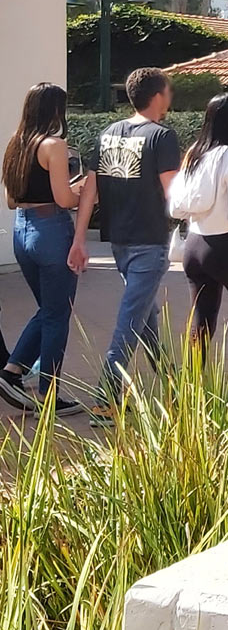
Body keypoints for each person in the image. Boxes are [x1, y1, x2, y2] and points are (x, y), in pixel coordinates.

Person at [68, 67, 180, 417]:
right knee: (131, 319)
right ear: (159, 95)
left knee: (145, 315)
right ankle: (106, 396)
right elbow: (173, 195)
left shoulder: (107, 134)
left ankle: (174, 386)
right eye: (169, 91)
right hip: (150, 239)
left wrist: (79, 239)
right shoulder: (163, 137)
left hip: (119, 241)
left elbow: (90, 190)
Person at [0, 83, 84, 414]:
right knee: (57, 314)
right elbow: (64, 199)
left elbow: (11, 199)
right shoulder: (54, 145)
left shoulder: (15, 145)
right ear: (55, 110)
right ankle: (50, 394)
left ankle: (12, 370)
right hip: (51, 231)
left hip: (22, 231)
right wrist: (86, 194)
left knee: (49, 311)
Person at [168, 93, 228, 383]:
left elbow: (176, 204)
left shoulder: (195, 152)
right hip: (225, 247)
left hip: (194, 246)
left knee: (202, 323)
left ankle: (189, 393)